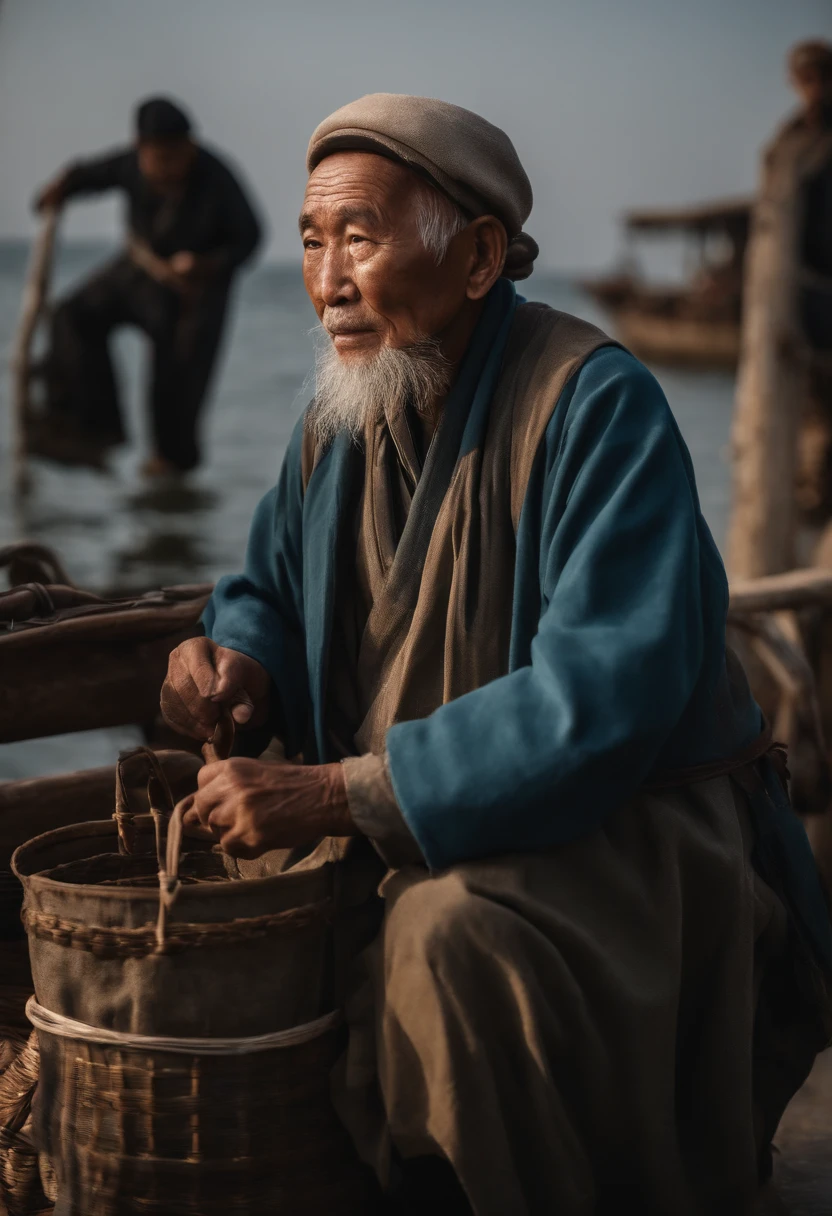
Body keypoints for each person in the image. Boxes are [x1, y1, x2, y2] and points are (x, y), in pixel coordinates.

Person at [160, 94, 832, 1215]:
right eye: (312, 240)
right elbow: (265, 588)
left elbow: (600, 699)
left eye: (359, 238)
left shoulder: (593, 404)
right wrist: (237, 661)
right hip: (412, 821)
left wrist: (337, 792)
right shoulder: (336, 417)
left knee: (447, 937)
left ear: (478, 258)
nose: (325, 278)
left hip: (625, 835)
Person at [32, 96, 263, 475]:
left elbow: (251, 237)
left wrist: (205, 265)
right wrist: (59, 188)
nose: (171, 167)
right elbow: (87, 175)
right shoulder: (128, 164)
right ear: (141, 149)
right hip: (139, 273)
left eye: (179, 155)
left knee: (174, 391)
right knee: (72, 317)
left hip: (196, 295)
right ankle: (96, 430)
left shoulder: (217, 175)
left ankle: (171, 478)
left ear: (191, 146)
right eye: (161, 158)